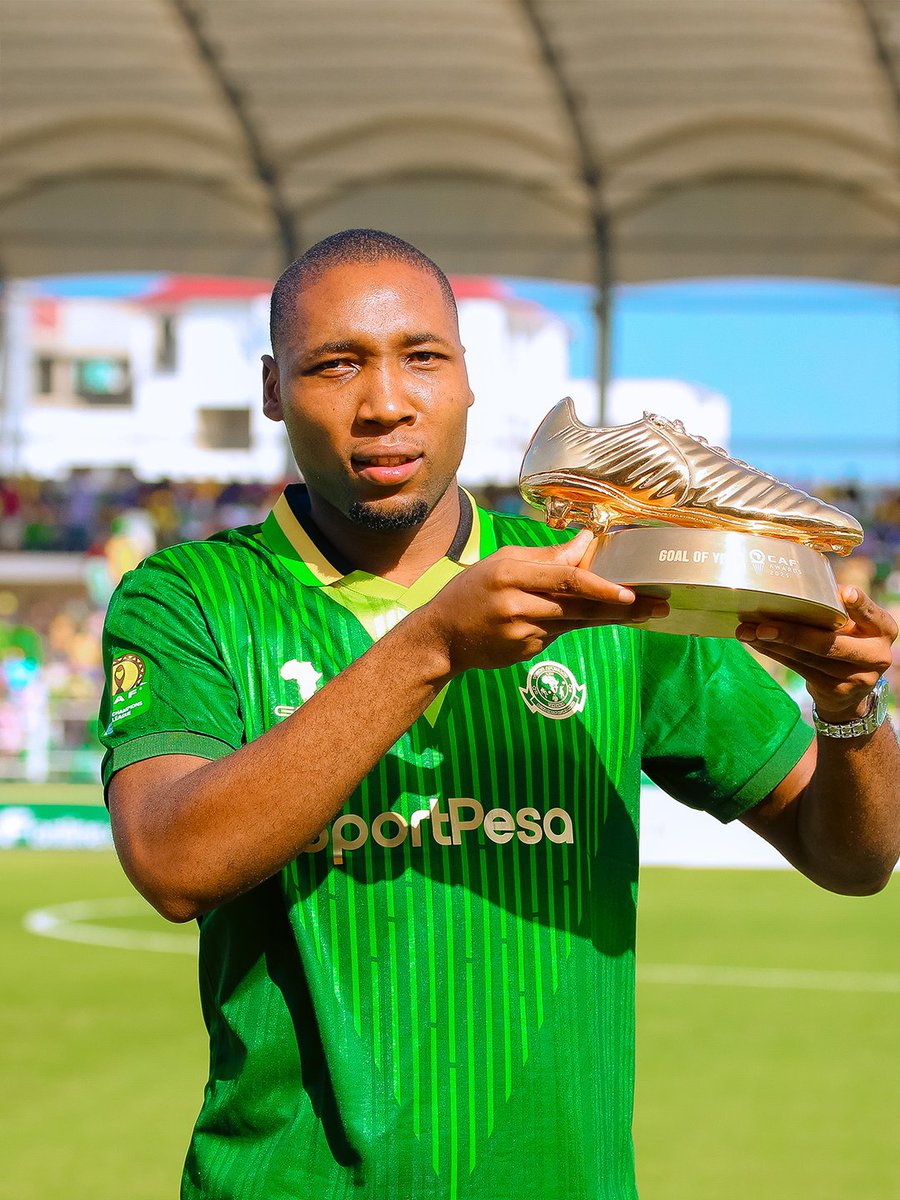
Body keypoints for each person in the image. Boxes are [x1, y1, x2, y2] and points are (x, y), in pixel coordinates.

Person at [99, 229, 899, 1200]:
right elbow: (174, 864)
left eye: (422, 357)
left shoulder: (609, 585)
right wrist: (431, 647)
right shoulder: (188, 596)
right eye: (335, 364)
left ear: (469, 378)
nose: (385, 402)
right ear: (273, 389)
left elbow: (853, 858)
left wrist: (848, 709)